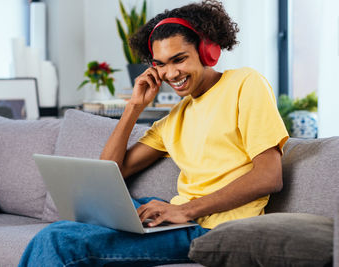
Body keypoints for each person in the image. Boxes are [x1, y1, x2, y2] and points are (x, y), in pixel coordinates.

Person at [18, 1, 289, 266]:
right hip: (180, 218)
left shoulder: (245, 83)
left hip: (214, 228)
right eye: (160, 64)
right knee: (68, 227)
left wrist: (185, 210)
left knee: (58, 241)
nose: (171, 73)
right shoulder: (175, 117)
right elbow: (111, 171)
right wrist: (134, 107)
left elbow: (269, 176)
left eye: (179, 59)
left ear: (208, 51)